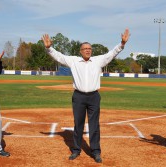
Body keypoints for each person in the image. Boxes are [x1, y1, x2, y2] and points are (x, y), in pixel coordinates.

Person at [41, 28, 130, 163]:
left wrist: (122, 44)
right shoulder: (74, 61)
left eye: (89, 48)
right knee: (78, 124)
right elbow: (59, 56)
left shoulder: (98, 60)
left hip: (94, 96)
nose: (88, 50)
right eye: (85, 49)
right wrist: (49, 48)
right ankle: (76, 150)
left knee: (94, 125)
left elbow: (112, 54)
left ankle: (96, 151)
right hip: (79, 97)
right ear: (80, 51)